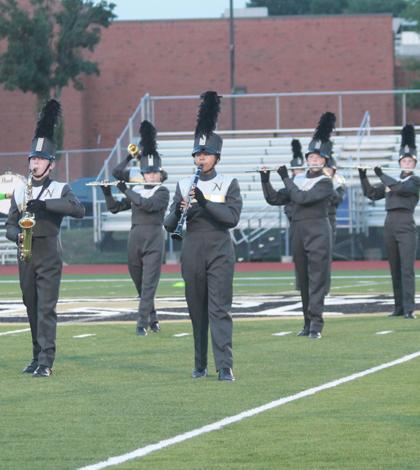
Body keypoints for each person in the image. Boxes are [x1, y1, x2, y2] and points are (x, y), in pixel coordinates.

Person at [164, 91, 242, 380]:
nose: (201, 158)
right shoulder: (183, 183)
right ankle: (199, 364)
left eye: (205, 154)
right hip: (192, 249)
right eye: (197, 154)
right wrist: (181, 208)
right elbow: (169, 224)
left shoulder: (228, 183)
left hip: (220, 250)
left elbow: (230, 218)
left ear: (216, 157)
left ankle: (224, 365)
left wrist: (204, 202)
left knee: (219, 309)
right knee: (196, 311)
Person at [6, 99, 85, 377]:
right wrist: (18, 237)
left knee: (46, 308)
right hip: (26, 254)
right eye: (33, 158)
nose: (35, 163)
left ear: (50, 164)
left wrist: (46, 206)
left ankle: (46, 361)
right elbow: (9, 227)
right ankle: (35, 356)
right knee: (31, 305)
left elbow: (78, 210)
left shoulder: (61, 189)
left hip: (49, 252)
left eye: (40, 159)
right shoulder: (20, 190)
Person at [101, 120, 170, 335]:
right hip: (135, 238)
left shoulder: (163, 191)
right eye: (147, 172)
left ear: (160, 173)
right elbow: (114, 205)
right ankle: (153, 316)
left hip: (154, 238)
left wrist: (127, 190)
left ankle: (141, 324)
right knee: (140, 283)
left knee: (149, 283)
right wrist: (108, 192)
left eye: (153, 172)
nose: (150, 175)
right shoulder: (137, 189)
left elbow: (146, 205)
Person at [277, 112, 335, 339]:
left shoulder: (326, 183)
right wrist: (265, 179)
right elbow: (275, 198)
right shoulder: (299, 180)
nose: (314, 160)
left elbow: (301, 198)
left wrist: (285, 178)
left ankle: (316, 325)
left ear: (325, 161)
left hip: (319, 231)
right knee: (302, 280)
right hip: (299, 231)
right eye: (311, 156)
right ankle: (306, 323)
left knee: (317, 279)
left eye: (319, 158)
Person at [359, 124, 420, 319]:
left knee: (407, 269)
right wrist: (363, 176)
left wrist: (380, 174)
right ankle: (399, 307)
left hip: (405, 224)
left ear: (414, 164)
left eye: (410, 161)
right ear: (400, 161)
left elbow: (400, 189)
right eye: (404, 160)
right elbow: (371, 194)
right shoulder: (390, 181)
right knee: (394, 268)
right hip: (390, 224)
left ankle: (409, 308)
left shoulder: (415, 181)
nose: (407, 163)